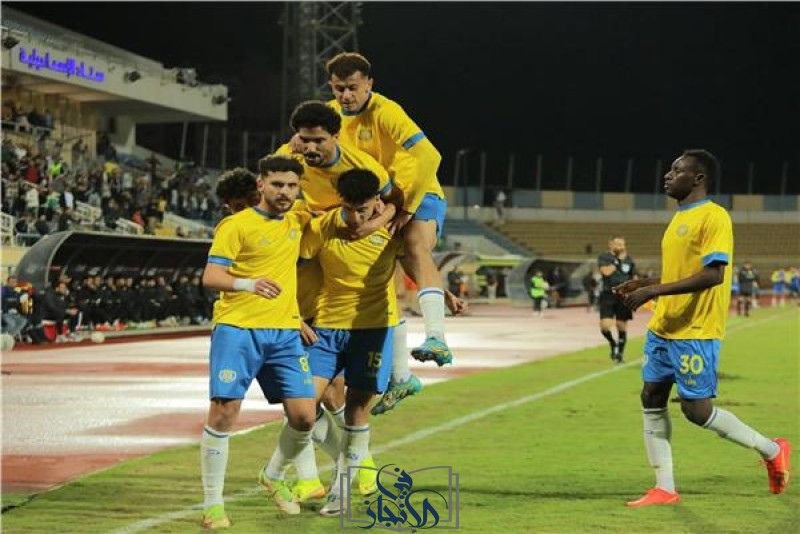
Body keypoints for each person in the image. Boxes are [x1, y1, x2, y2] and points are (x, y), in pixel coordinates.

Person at [614, 149, 790, 507]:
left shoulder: (714, 216)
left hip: (696, 329)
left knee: (697, 412)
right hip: (664, 326)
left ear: (698, 178)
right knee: (651, 396)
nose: (668, 175)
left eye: (677, 170)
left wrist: (653, 291)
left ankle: (772, 450)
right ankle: (664, 487)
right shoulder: (679, 218)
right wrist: (644, 283)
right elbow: (681, 273)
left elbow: (713, 275)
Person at [277, 100, 427, 418]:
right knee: (306, 401)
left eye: (318, 140)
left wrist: (371, 224)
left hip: (345, 254)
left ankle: (399, 377)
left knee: (374, 284)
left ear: (336, 136)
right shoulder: (288, 158)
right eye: (305, 139)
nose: (310, 147)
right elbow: (268, 191)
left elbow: (394, 201)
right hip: (314, 236)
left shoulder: (363, 168)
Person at [198, 162, 317, 528]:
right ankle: (213, 505)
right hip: (238, 329)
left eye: (292, 186)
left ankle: (273, 474)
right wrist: (249, 284)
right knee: (224, 413)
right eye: (278, 184)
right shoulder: (235, 225)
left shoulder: (298, 220)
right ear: (261, 185)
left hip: (284, 333)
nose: (285, 192)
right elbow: (211, 276)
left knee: (304, 416)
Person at [323, 52, 453, 369]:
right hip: (376, 198)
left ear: (369, 84)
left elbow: (430, 156)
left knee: (414, 246)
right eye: (339, 88)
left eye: (353, 87)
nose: (346, 95)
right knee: (376, 278)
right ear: (331, 86)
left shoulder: (386, 111)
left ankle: (437, 337)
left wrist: (405, 205)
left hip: (416, 190)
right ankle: (400, 375)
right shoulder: (328, 116)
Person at [296, 169, 407, 516]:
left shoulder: (393, 230)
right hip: (326, 329)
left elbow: (418, 261)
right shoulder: (323, 227)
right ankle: (298, 473)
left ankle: (340, 492)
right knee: (301, 407)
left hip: (373, 330)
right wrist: (292, 314)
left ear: (377, 202)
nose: (355, 218)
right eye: (349, 209)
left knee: (357, 409)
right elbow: (290, 267)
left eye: (362, 210)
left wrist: (441, 293)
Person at [597, 237, 637, 363]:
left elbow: (634, 277)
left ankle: (620, 353)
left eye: (622, 244)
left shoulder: (629, 260)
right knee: (605, 326)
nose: (620, 246)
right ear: (611, 244)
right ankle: (612, 343)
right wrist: (617, 261)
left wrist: (635, 290)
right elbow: (606, 272)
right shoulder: (604, 257)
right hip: (608, 294)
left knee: (621, 325)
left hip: (623, 296)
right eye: (617, 244)